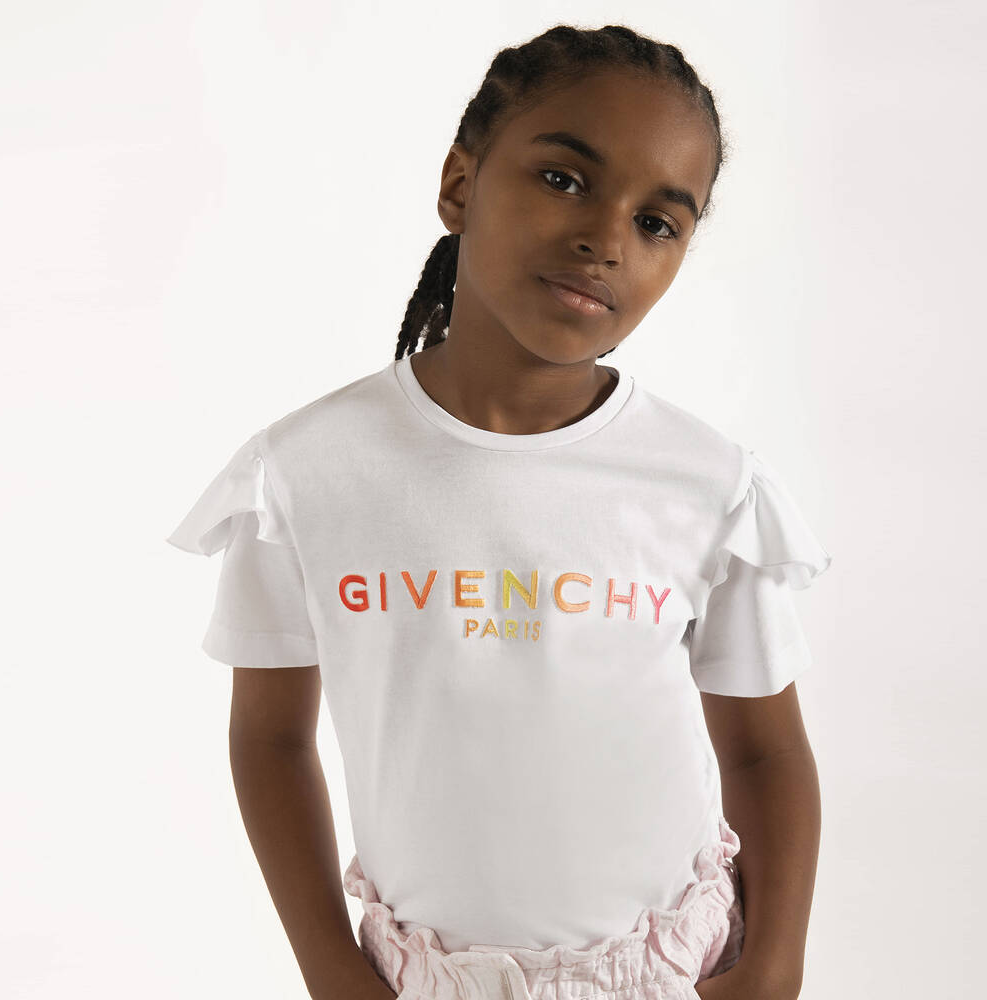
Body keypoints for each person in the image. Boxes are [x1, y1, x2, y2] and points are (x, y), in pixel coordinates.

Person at [167, 23, 831, 1000]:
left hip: (671, 971)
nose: (606, 239)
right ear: (459, 183)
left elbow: (763, 747)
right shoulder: (306, 474)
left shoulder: (707, 484)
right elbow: (270, 739)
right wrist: (331, 971)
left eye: (657, 222)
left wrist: (773, 965)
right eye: (564, 179)